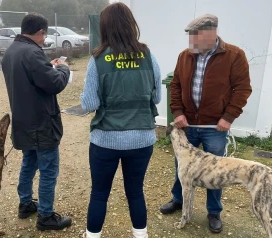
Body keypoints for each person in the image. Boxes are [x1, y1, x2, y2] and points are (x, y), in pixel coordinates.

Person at [159, 14, 252, 233]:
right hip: (187, 125)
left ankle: (213, 212)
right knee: (181, 166)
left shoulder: (234, 55)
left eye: (195, 37)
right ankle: (178, 199)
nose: (191, 42)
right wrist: (177, 112)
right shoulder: (185, 56)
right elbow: (175, 86)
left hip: (214, 128)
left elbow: (242, 88)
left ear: (211, 33)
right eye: (190, 37)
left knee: (216, 172)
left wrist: (228, 117)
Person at [80, 2, 162, 238]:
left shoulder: (97, 59)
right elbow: (156, 97)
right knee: (135, 192)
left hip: (105, 139)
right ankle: (141, 235)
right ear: (130, 24)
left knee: (99, 193)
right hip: (142, 138)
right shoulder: (148, 56)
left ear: (104, 27)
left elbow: (89, 104)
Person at [1, 12, 72, 231]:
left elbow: (32, 76)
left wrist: (46, 65)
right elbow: (54, 84)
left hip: (23, 121)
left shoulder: (11, 51)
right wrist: (63, 68)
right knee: (48, 170)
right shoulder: (32, 53)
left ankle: (25, 204)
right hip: (41, 123)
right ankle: (46, 216)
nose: (44, 38)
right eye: (44, 34)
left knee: (29, 163)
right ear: (40, 32)